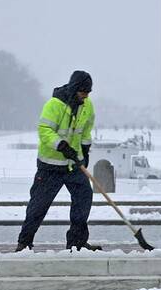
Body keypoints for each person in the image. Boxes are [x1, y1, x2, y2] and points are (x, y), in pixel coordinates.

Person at [16, 70, 100, 252]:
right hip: (50, 167)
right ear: (75, 88)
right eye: (83, 91)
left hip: (73, 166)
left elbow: (85, 131)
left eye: (88, 92)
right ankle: (24, 243)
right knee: (38, 207)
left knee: (84, 198)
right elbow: (44, 129)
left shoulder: (88, 105)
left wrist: (84, 153)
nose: (86, 95)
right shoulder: (54, 105)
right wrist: (61, 145)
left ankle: (77, 243)